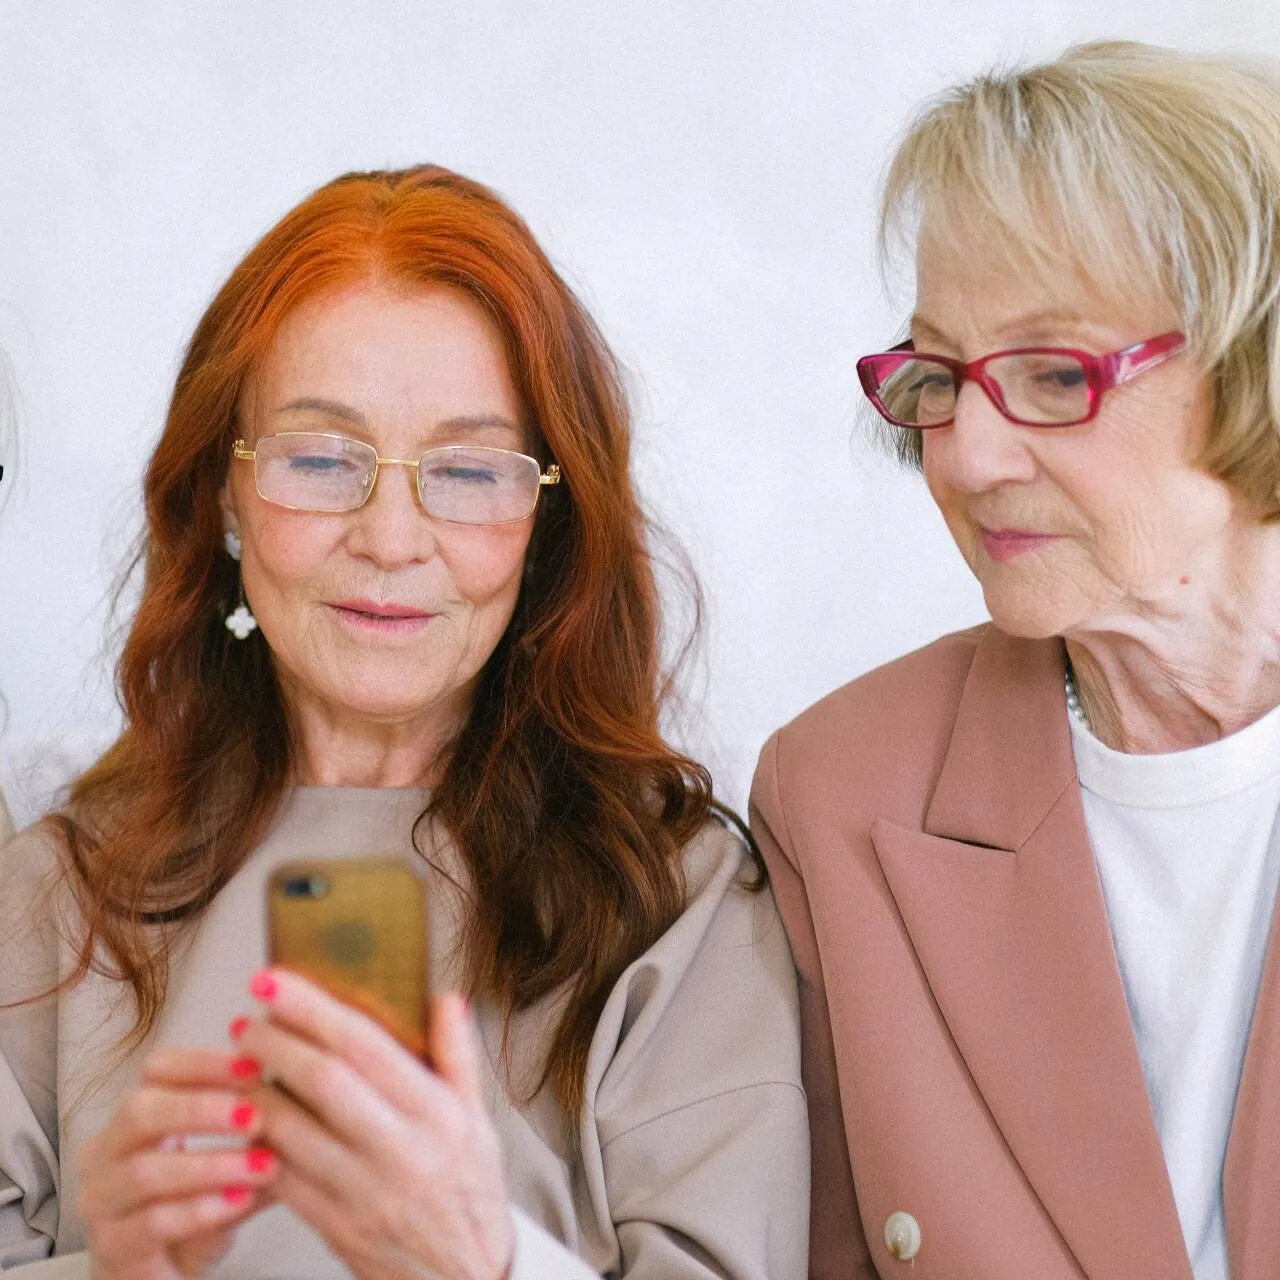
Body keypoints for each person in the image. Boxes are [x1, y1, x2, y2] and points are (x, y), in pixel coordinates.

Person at [0, 166, 808, 1280]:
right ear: (224, 498)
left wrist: (484, 1260)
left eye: (469, 470)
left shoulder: (678, 899)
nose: (390, 537)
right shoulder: (51, 896)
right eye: (321, 458)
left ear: (546, 525)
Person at [751, 41, 1280, 1280]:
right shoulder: (836, 791)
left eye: (1053, 373)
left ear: (1250, 358)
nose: (966, 458)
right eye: (938, 376)